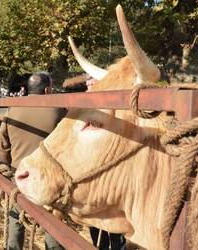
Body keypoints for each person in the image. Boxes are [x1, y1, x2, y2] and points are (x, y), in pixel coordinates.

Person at [0, 72, 66, 250]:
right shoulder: (58, 109)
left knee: (16, 221)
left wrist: (8, 166)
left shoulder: (13, 108)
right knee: (52, 225)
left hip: (19, 174)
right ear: (48, 89)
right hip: (49, 177)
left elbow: (2, 146)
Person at [85, 75, 127, 250]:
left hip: (113, 174)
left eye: (93, 84)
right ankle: (99, 245)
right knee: (95, 216)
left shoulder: (117, 109)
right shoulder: (82, 108)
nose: (90, 89)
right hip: (90, 174)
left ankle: (117, 246)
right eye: (88, 85)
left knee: (115, 215)